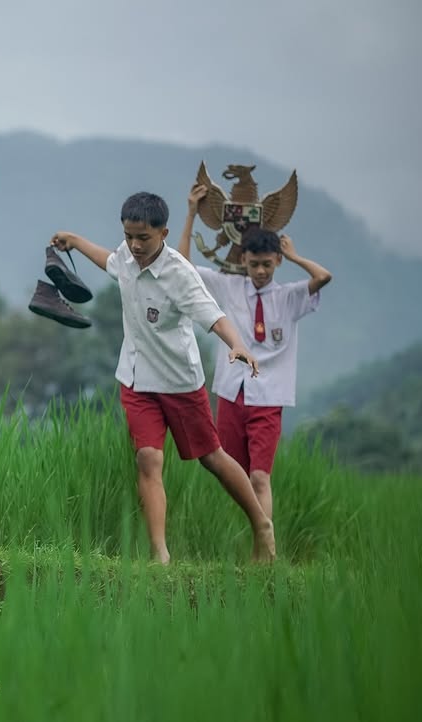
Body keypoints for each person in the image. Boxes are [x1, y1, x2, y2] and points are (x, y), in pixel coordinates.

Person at [51, 191, 276, 563]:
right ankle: (160, 556)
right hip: (137, 379)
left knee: (212, 457)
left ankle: (261, 525)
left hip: (179, 382)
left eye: (144, 238)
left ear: (164, 233)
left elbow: (214, 316)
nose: (135, 246)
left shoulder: (180, 275)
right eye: (129, 236)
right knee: (147, 459)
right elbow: (108, 260)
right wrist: (73, 240)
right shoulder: (125, 255)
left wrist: (238, 345)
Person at [178, 184, 332, 520]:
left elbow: (323, 276)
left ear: (276, 260)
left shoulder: (290, 297)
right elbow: (183, 266)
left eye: (268, 264)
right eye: (254, 264)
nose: (261, 272)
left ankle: (266, 548)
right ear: (243, 260)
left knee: (260, 476)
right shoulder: (229, 286)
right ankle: (254, 539)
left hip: (269, 397)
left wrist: (294, 256)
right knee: (232, 475)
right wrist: (191, 212)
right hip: (232, 393)